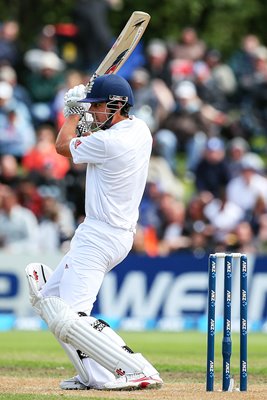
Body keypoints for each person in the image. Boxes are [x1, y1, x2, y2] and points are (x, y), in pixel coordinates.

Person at [25, 74, 163, 391]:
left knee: (71, 315)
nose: (92, 112)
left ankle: (138, 368)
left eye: (97, 106)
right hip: (115, 233)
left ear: (115, 105)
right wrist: (85, 109)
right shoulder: (139, 129)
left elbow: (62, 146)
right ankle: (93, 376)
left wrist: (72, 112)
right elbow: (93, 132)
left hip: (100, 235)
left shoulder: (108, 142)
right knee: (49, 299)